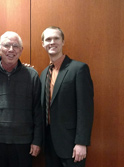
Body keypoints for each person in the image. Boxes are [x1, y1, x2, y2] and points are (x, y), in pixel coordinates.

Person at [0, 31, 42, 167]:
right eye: (7, 45)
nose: (11, 50)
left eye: (16, 46)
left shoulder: (32, 76)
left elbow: (38, 111)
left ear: (21, 50)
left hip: (23, 144)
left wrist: (37, 141)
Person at [40, 26, 94, 167]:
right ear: (43, 44)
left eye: (56, 38)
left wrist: (81, 142)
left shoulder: (78, 69)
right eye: (48, 39)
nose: (52, 42)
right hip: (49, 144)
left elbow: (85, 109)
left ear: (63, 42)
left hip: (72, 145)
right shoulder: (44, 72)